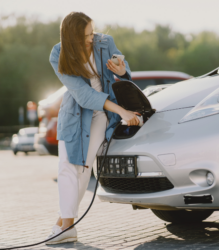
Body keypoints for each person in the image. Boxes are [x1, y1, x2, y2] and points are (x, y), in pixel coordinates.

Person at [46, 12, 140, 244]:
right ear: (73, 37)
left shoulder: (104, 42)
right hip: (76, 113)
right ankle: (67, 226)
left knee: (83, 168)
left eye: (92, 32)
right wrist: (123, 112)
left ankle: (64, 225)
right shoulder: (58, 54)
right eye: (87, 35)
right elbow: (84, 95)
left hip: (103, 115)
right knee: (67, 167)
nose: (92, 38)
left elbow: (124, 68)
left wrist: (121, 70)